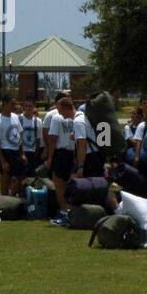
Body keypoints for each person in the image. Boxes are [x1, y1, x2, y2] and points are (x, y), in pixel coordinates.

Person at [46, 96, 79, 225]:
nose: (57, 110)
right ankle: (69, 209)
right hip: (73, 153)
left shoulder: (56, 118)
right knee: (68, 183)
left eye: (59, 108)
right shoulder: (77, 118)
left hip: (62, 153)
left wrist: (49, 158)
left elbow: (53, 139)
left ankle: (64, 211)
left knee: (58, 183)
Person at [0, 95, 26, 196]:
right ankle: (4, 202)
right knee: (5, 179)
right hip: (5, 151)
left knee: (21, 178)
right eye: (12, 104)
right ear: (5, 104)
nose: (14, 106)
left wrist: (22, 153)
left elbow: (20, 135)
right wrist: (3, 161)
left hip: (16, 152)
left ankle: (14, 197)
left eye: (15, 103)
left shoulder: (15, 117)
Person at [20, 99, 44, 175]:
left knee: (32, 176)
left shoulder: (38, 121)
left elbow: (38, 139)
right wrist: (21, 153)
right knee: (19, 176)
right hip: (21, 152)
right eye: (26, 106)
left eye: (30, 106)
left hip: (33, 152)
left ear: (34, 107)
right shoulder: (19, 119)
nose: (28, 108)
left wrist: (36, 154)